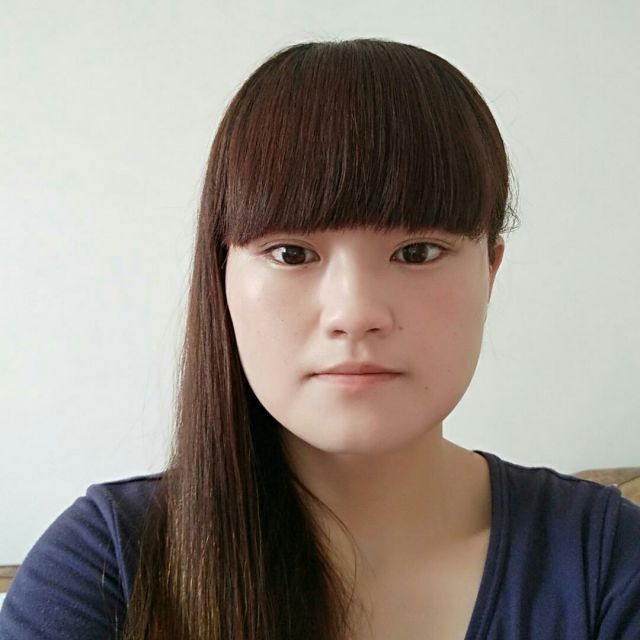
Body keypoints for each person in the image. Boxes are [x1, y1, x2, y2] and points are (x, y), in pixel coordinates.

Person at [1, 38, 639, 640]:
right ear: (222, 274)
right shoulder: (107, 567)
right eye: (291, 252)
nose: (354, 313)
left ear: (490, 270)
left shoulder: (606, 560)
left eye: (417, 252)